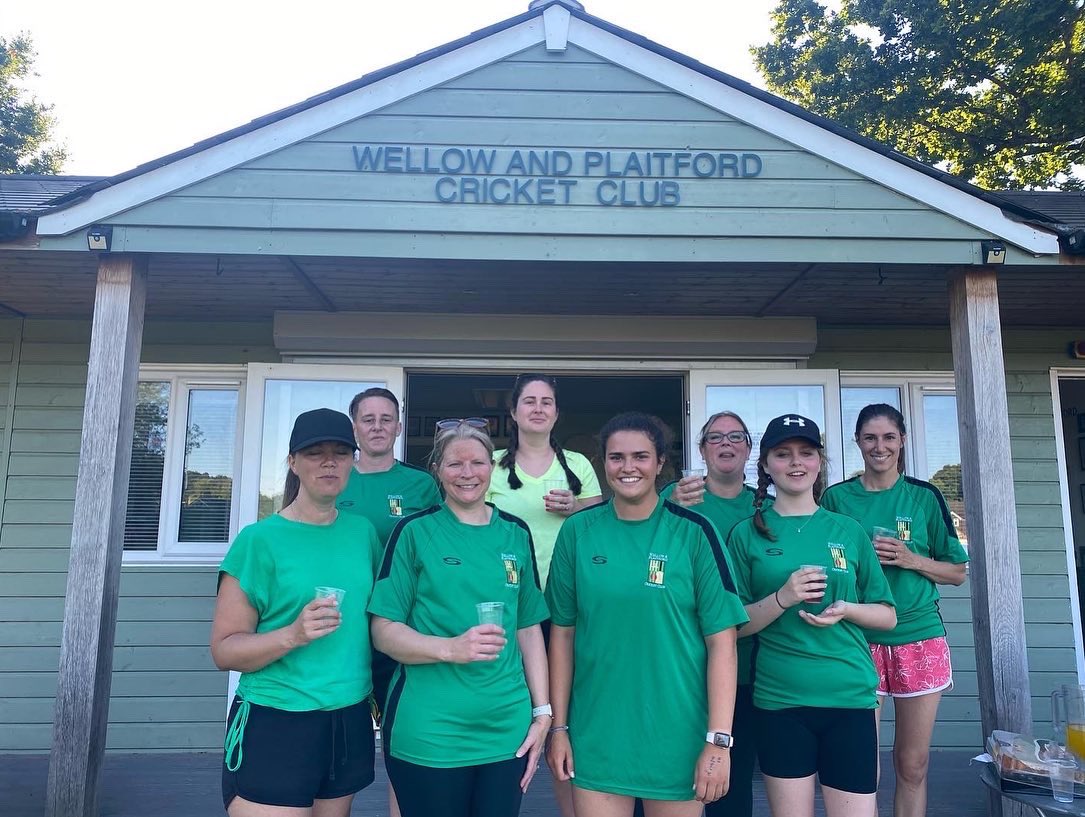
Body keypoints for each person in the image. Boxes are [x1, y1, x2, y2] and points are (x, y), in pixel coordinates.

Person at [546, 411, 748, 817]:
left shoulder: (695, 531)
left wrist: (718, 740)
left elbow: (722, 642)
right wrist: (559, 728)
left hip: (678, 737)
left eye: (640, 456)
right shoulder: (577, 532)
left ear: (660, 464)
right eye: (616, 457)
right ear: (603, 464)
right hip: (597, 734)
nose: (628, 467)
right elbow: (562, 636)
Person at [368, 419, 551, 817]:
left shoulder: (516, 533)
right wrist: (451, 648)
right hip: (431, 728)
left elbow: (528, 627)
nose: (467, 474)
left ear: (494, 466)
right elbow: (383, 631)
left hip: (506, 727)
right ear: (438, 469)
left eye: (478, 463)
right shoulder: (414, 532)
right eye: (454, 464)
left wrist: (543, 713)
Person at [212, 408, 382, 817]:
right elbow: (224, 650)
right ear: (292, 462)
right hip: (277, 718)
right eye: (314, 452)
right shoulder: (259, 541)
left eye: (340, 452)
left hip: (349, 716)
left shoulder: (363, 534)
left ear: (353, 462)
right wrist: (294, 634)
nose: (329, 462)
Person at [727, 414, 896, 817]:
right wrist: (782, 597)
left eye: (806, 453)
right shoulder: (747, 533)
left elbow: (888, 615)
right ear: (766, 465)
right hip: (780, 700)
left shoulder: (847, 529)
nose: (796, 463)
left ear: (820, 462)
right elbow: (734, 625)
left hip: (850, 696)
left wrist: (847, 609)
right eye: (783, 455)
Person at [821, 403, 968, 817]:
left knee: (913, 763)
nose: (879, 446)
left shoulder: (923, 496)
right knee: (861, 765)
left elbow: (957, 572)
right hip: (857, 640)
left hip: (918, 637)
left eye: (888, 437)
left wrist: (910, 559)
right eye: (870, 438)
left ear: (902, 440)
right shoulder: (836, 498)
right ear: (858, 443)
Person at [486, 373, 601, 817]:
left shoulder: (578, 465)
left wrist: (575, 508)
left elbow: (599, 526)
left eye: (546, 401)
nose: (537, 408)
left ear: (556, 412)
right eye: (528, 401)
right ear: (513, 412)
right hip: (506, 607)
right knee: (515, 708)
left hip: (567, 606)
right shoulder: (491, 464)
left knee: (563, 716)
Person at [336, 387, 441, 817]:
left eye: (386, 418)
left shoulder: (421, 484)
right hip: (343, 628)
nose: (377, 426)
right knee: (343, 734)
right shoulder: (335, 477)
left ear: (398, 426)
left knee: (401, 736)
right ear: (355, 427)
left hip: (402, 626)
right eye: (368, 418)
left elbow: (439, 545)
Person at [661, 411, 767, 817]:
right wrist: (665, 508)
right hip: (680, 665)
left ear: (748, 448)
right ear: (702, 450)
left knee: (731, 782)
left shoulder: (765, 508)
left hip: (743, 664)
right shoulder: (676, 496)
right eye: (716, 437)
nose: (726, 443)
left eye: (736, 436)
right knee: (668, 777)